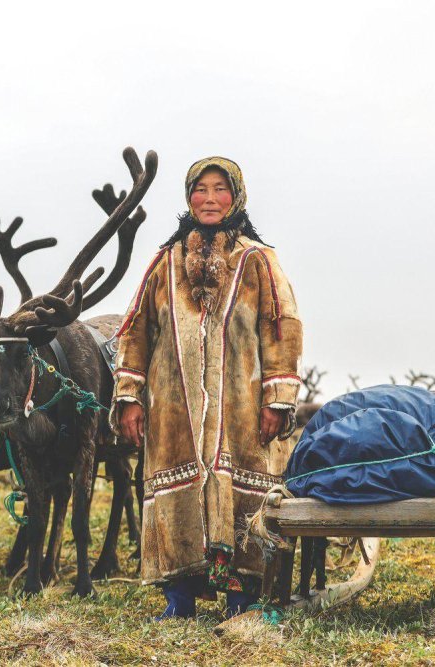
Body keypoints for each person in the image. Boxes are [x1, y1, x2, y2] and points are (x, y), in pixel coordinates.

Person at [111, 156, 303, 619]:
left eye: (220, 189)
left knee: (242, 498)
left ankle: (243, 598)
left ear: (235, 196)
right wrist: (130, 397)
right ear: (188, 197)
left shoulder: (258, 259)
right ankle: (179, 600)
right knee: (178, 497)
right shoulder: (165, 261)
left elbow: (283, 328)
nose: (210, 198)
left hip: (241, 407)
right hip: (173, 411)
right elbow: (135, 330)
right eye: (201, 189)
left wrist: (277, 396)